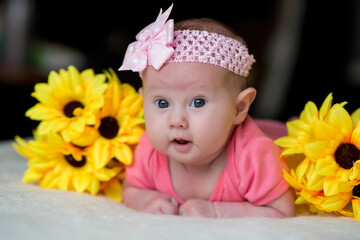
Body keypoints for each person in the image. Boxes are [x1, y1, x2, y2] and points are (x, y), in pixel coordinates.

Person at [119, 4, 296, 218]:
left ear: (239, 108)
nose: (176, 121)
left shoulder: (254, 155)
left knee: (297, 139)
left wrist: (217, 211)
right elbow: (130, 189)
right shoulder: (150, 150)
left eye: (198, 102)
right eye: (162, 103)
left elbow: (282, 211)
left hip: (286, 146)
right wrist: (148, 200)